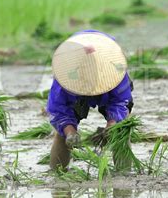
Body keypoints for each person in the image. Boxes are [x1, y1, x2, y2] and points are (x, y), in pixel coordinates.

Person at [46, 30, 133, 170]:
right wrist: (70, 132)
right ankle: (57, 175)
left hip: (107, 70)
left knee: (121, 130)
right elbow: (58, 111)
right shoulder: (64, 80)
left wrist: (112, 125)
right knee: (61, 135)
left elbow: (120, 102)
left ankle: (124, 174)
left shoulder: (115, 73)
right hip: (75, 83)